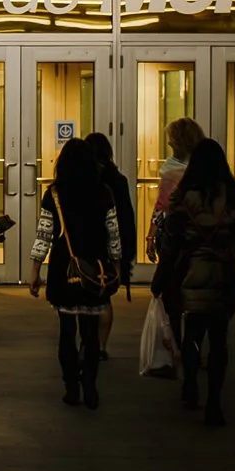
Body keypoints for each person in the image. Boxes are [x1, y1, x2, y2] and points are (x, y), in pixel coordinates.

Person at [150, 138, 235, 428]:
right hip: (222, 275)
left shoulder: (182, 197)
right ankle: (215, 402)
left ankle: (191, 383)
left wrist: (161, 276)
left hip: (190, 273)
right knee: (219, 340)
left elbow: (171, 241)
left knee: (192, 333)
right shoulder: (234, 197)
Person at [28, 137, 121, 410]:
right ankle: (90, 385)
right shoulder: (104, 192)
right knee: (90, 333)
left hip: (64, 270)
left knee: (67, 331)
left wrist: (35, 269)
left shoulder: (54, 194)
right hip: (95, 270)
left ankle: (71, 386)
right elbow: (113, 234)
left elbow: (43, 235)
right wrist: (115, 265)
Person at [85, 132, 137, 361]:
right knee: (104, 298)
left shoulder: (83, 179)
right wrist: (125, 252)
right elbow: (126, 216)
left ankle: (88, 342)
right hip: (110, 246)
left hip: (88, 244)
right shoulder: (118, 179)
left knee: (85, 296)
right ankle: (102, 346)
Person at [148, 116, 205, 261]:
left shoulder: (171, 172)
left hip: (176, 234)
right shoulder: (206, 168)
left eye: (172, 139)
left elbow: (161, 207)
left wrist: (150, 237)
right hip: (202, 236)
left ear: (181, 143)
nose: (169, 143)